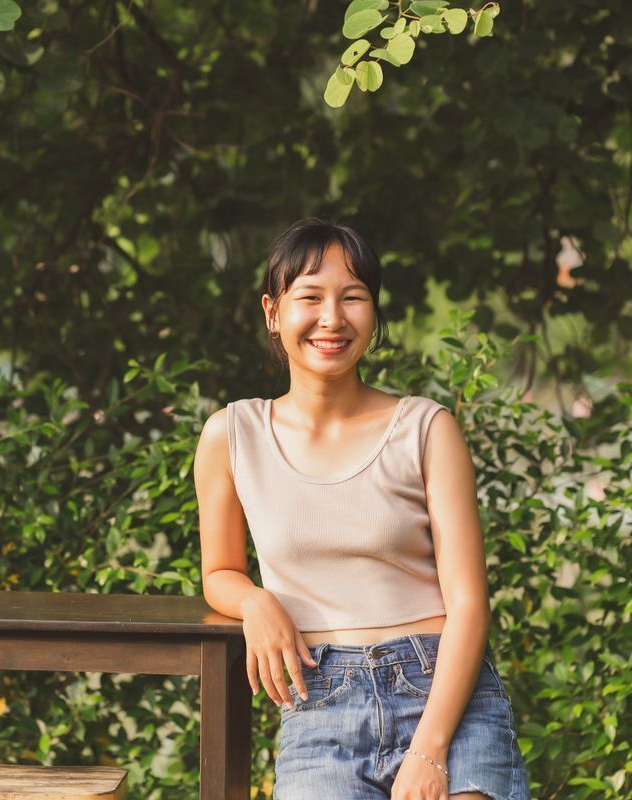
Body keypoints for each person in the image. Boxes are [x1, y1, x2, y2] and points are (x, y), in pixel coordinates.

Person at [193, 218, 532, 799]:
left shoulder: (426, 428)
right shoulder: (231, 435)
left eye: (353, 298)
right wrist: (254, 601)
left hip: (445, 690)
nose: (332, 318)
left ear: (373, 316)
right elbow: (219, 572)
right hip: (320, 700)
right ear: (273, 312)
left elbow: (471, 602)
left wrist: (430, 749)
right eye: (310, 298)